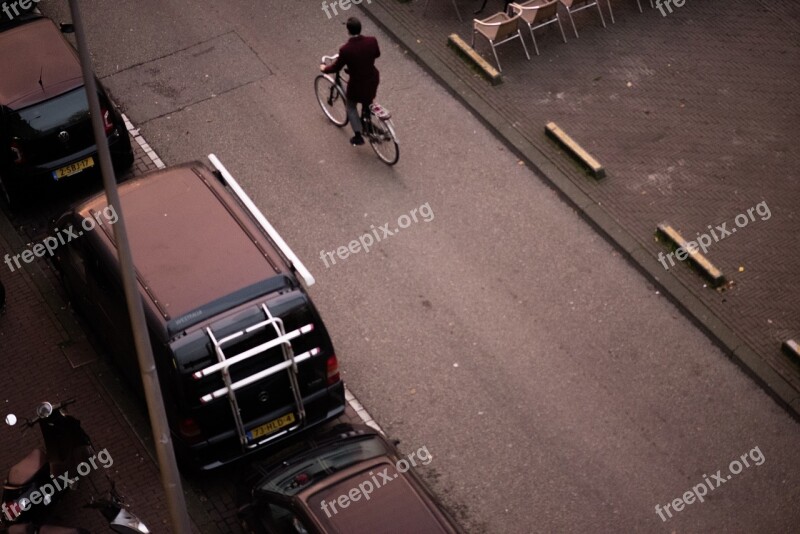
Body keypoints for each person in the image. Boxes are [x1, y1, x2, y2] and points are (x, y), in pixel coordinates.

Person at [320, 17, 380, 146]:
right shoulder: (372, 41)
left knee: (351, 106)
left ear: (348, 31)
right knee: (367, 100)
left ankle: (358, 136)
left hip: (358, 85)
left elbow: (336, 67)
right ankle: (367, 121)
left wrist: (324, 68)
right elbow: (376, 54)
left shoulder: (346, 50)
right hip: (372, 79)